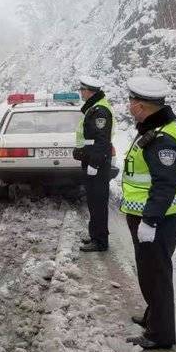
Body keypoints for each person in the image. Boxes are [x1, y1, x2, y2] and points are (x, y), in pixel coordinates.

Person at [121, 74, 176, 350]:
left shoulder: (161, 139)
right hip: (148, 215)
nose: (128, 105)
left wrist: (150, 220)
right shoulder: (152, 129)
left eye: (131, 101)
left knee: (156, 275)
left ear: (142, 106)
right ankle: (153, 317)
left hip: (157, 219)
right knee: (149, 272)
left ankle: (160, 334)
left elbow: (165, 184)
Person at [73, 76, 114, 252]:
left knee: (98, 202)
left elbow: (101, 140)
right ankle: (95, 236)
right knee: (93, 201)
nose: (81, 93)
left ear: (89, 91)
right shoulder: (94, 108)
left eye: (82, 90)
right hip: (91, 159)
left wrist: (95, 164)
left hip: (97, 164)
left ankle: (100, 241)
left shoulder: (100, 111)